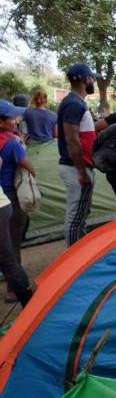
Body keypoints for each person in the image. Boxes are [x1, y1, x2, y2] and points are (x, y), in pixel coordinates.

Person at [57, 63, 98, 246]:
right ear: (86, 79)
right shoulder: (73, 104)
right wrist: (81, 172)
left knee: (81, 213)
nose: (93, 81)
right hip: (75, 168)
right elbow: (71, 139)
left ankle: (80, 250)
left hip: (81, 166)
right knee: (75, 216)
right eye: (92, 78)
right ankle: (74, 256)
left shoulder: (77, 102)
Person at [0, 100, 36, 303]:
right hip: (8, 197)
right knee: (12, 244)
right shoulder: (12, 143)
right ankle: (14, 290)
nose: (16, 120)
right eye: (12, 118)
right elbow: (28, 166)